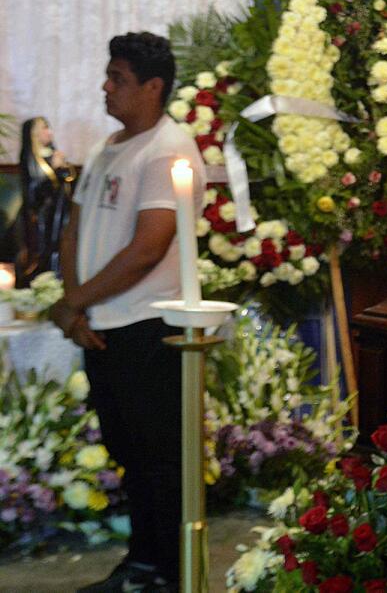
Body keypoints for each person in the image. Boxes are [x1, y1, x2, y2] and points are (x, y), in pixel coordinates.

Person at [50, 32, 204, 593]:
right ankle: (142, 562)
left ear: (153, 87)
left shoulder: (169, 149)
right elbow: (75, 228)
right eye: (108, 75)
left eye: (117, 77)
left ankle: (168, 571)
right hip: (100, 326)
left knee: (160, 459)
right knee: (129, 454)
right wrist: (76, 306)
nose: (105, 86)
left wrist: (74, 302)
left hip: (149, 325)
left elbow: (148, 247)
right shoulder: (109, 146)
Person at [16, 116, 75, 285]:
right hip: (41, 217)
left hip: (60, 213)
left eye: (48, 127)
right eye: (43, 128)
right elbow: (35, 191)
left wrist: (62, 168)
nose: (49, 132)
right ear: (34, 134)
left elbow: (69, 181)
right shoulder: (31, 160)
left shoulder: (54, 155)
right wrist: (56, 171)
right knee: (42, 252)